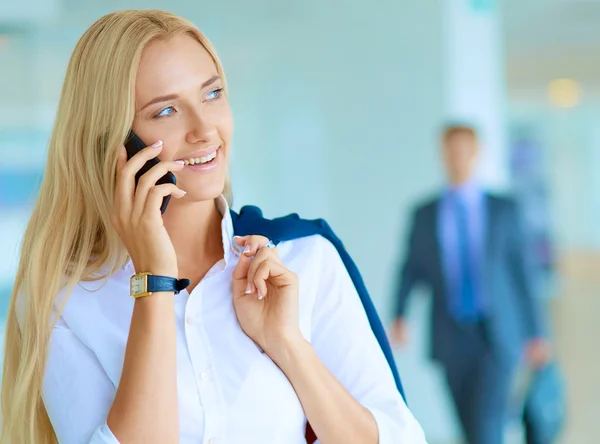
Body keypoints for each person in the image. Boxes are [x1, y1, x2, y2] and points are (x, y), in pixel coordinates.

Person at [0, 9, 426, 444]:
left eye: (213, 94)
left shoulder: (304, 257)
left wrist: (288, 343)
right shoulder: (66, 298)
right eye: (166, 110)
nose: (205, 130)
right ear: (115, 143)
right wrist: (154, 282)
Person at [390, 124, 551, 444]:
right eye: (451, 150)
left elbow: (523, 275)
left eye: (464, 150)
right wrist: (400, 315)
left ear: (477, 153)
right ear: (442, 154)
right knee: (468, 425)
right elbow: (410, 269)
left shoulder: (504, 209)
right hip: (450, 335)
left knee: (486, 424)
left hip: (498, 333)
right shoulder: (424, 213)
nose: (458, 158)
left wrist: (537, 333)